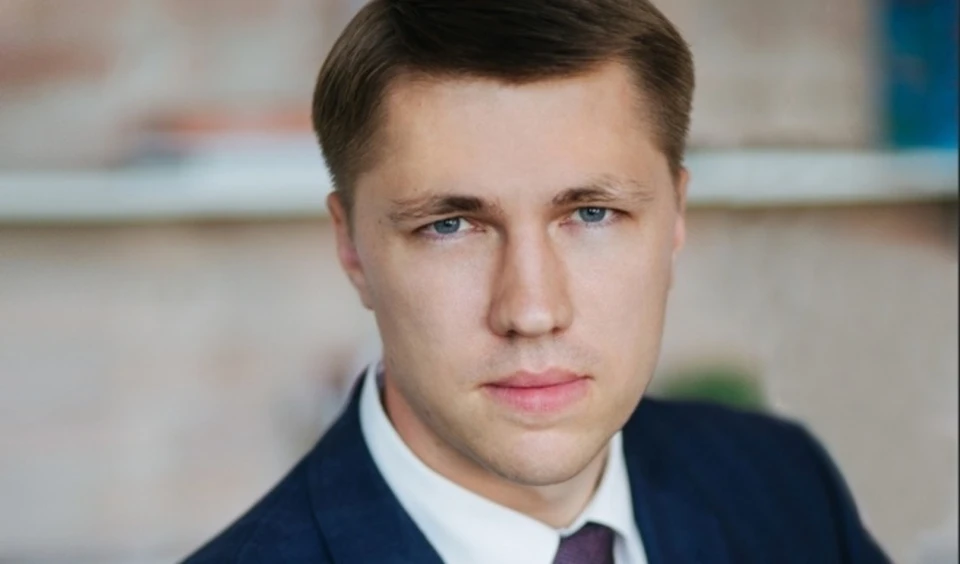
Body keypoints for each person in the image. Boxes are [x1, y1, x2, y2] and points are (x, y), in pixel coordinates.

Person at [183, 1, 891, 562]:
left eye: (591, 213)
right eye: (450, 225)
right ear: (352, 248)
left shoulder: (785, 485)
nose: (531, 310)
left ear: (676, 217)